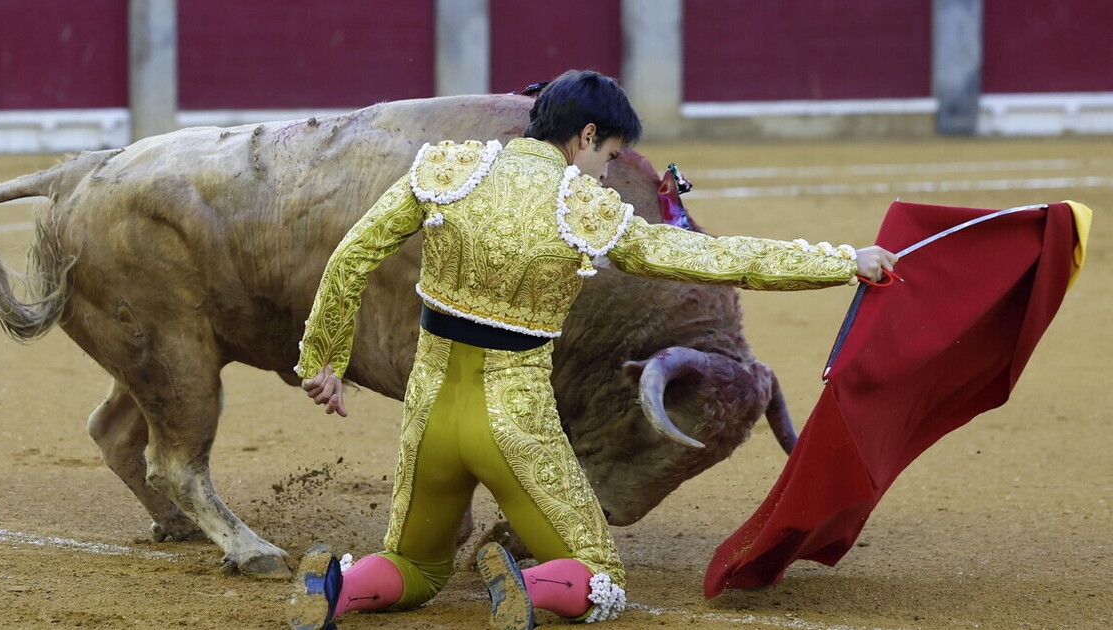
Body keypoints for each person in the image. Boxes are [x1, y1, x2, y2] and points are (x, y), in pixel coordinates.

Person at [288, 69, 897, 630]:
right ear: (584, 137)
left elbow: (351, 257)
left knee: (415, 566)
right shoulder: (583, 211)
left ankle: (335, 586)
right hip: (512, 423)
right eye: (608, 154)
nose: (607, 171)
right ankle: (527, 585)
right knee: (600, 580)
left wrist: (326, 358)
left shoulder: (447, 170)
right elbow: (713, 259)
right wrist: (843, 261)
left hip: (430, 416)